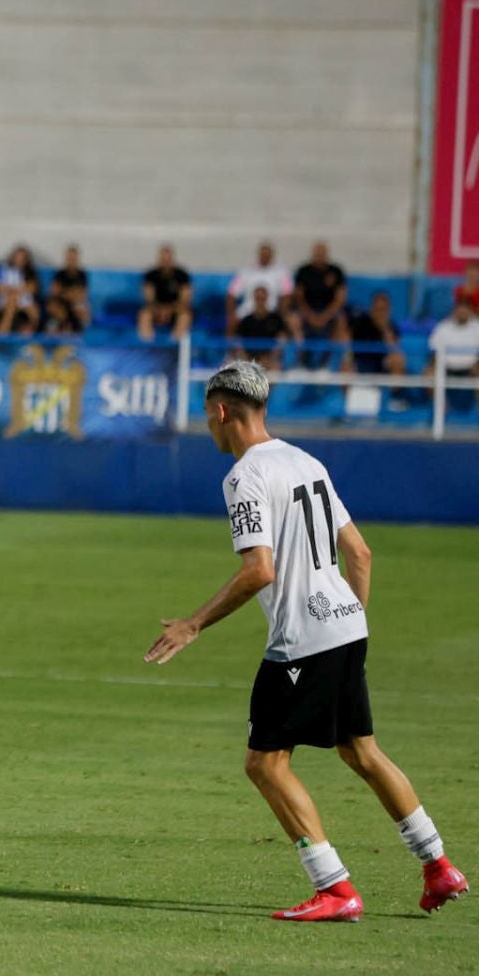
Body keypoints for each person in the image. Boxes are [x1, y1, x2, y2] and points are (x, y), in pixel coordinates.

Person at [145, 360, 467, 922]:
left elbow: (259, 571)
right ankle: (438, 866)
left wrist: (192, 623)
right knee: (362, 751)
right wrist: (348, 619)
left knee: (265, 764)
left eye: (207, 415)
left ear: (221, 411)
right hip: (346, 624)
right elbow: (360, 553)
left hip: (303, 640)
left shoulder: (245, 477)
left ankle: (334, 888)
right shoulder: (305, 461)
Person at [291, 242, 351, 369]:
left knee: (341, 321)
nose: (319, 256)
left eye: (322, 254)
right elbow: (299, 297)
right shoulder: (304, 271)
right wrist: (310, 316)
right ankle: (300, 359)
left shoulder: (336, 271)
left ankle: (332, 362)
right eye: (317, 254)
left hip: (329, 311)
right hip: (308, 310)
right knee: (293, 320)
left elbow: (340, 298)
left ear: (326, 255)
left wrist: (325, 317)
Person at [346, 291, 409, 405]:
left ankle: (387, 400)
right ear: (372, 308)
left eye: (383, 309)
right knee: (345, 365)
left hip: (382, 365)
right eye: (377, 309)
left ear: (389, 310)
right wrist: (349, 360)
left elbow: (395, 350)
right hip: (361, 363)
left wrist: (384, 330)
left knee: (398, 361)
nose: (380, 313)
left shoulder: (392, 326)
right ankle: (347, 402)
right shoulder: (360, 323)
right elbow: (349, 346)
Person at [226, 241, 293, 333]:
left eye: (267, 253)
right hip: (248, 310)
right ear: (258, 254)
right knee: (232, 324)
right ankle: (230, 343)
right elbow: (231, 294)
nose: (265, 256)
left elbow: (287, 294)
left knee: (289, 323)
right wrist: (231, 315)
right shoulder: (246, 272)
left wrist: (282, 314)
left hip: (272, 310)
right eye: (263, 253)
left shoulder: (282, 272)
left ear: (272, 255)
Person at [228, 284, 298, 371]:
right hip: (250, 361)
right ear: (254, 299)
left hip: (271, 362)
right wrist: (248, 361)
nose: (260, 301)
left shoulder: (276, 319)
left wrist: (270, 359)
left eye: (262, 298)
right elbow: (238, 342)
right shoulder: (246, 321)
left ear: (267, 298)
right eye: (258, 298)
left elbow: (283, 339)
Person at [137, 243, 193, 343]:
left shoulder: (182, 275)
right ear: (159, 259)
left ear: (172, 259)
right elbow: (149, 299)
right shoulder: (151, 275)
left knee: (185, 316)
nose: (165, 262)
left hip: (176, 310)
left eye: (168, 259)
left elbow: (185, 299)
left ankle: (174, 344)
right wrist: (160, 310)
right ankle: (148, 344)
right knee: (144, 315)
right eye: (163, 259)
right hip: (156, 309)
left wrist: (169, 310)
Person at [0, 244, 41, 336]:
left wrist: (17, 290)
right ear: (13, 257)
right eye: (18, 257)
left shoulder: (30, 272)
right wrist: (14, 291)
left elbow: (33, 288)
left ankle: (31, 333)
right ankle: (3, 333)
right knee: (12, 301)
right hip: (6, 301)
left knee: (34, 309)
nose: (20, 260)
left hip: (24, 301)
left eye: (22, 258)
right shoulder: (4, 270)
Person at [48, 245, 90, 334]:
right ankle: (61, 328)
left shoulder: (82, 274)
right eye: (69, 256)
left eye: (73, 257)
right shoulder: (60, 273)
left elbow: (82, 293)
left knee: (84, 313)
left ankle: (80, 333)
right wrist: (70, 293)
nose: (71, 259)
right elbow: (54, 291)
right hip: (62, 301)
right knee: (53, 306)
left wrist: (65, 292)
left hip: (76, 301)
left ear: (77, 258)